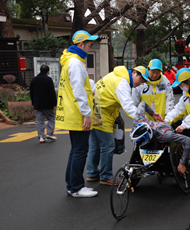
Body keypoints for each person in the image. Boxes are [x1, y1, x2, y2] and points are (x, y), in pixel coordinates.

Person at [87, 66, 151, 185]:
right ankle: (105, 176)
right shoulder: (122, 82)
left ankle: (92, 173)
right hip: (103, 114)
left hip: (95, 110)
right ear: (135, 73)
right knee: (108, 146)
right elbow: (128, 106)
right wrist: (144, 120)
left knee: (95, 145)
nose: (140, 84)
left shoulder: (115, 75)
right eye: (141, 80)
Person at [55, 30, 98, 198]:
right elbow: (79, 89)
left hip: (72, 112)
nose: (89, 48)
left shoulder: (69, 61)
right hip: (78, 114)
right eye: (89, 44)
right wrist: (87, 114)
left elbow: (80, 86)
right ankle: (77, 188)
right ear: (81, 44)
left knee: (76, 150)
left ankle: (71, 185)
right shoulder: (76, 63)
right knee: (80, 150)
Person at [130, 101, 190, 176]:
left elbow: (189, 140)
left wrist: (182, 163)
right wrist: (153, 114)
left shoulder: (166, 135)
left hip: (164, 133)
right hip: (156, 130)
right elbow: (143, 103)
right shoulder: (138, 120)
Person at [30, 65, 57, 143]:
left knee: (40, 121)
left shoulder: (34, 80)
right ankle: (49, 133)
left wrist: (33, 102)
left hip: (37, 104)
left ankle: (41, 137)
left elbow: (31, 92)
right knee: (51, 118)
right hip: (48, 103)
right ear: (47, 72)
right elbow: (52, 92)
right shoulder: (48, 79)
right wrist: (54, 103)